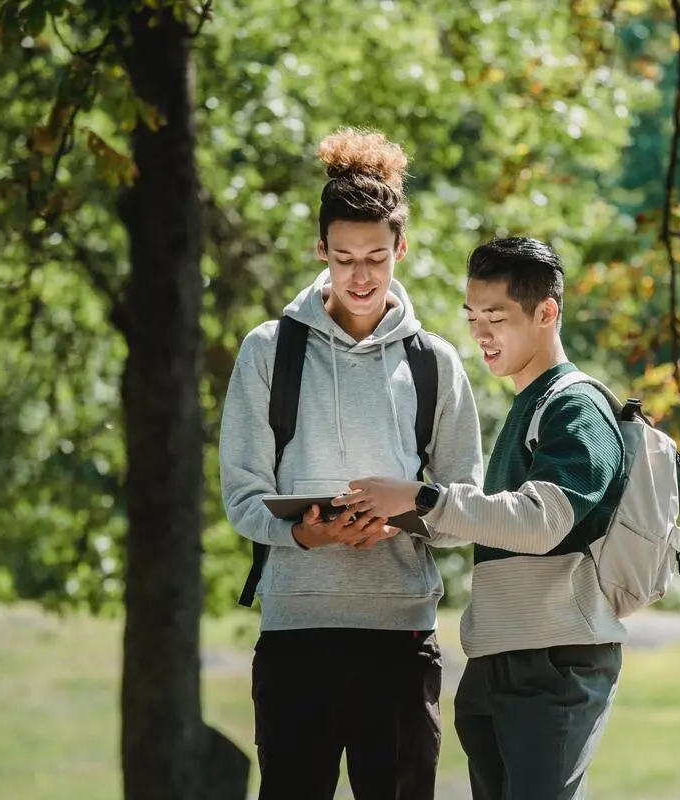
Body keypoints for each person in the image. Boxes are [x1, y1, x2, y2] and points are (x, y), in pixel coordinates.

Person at [218, 128, 484, 800]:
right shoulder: (268, 353)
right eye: (343, 258)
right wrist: (309, 532)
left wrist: (408, 512)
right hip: (295, 636)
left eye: (375, 257)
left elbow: (465, 504)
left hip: (400, 638)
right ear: (321, 252)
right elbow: (244, 497)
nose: (360, 277)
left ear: (401, 248)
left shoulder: (435, 363)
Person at [348, 236, 628, 800]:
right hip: (500, 657)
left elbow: (543, 521)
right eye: (472, 317)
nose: (479, 334)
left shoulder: (576, 406)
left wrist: (423, 496)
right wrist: (395, 511)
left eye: (495, 318)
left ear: (546, 312)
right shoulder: (529, 403)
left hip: (554, 662)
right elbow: (492, 523)